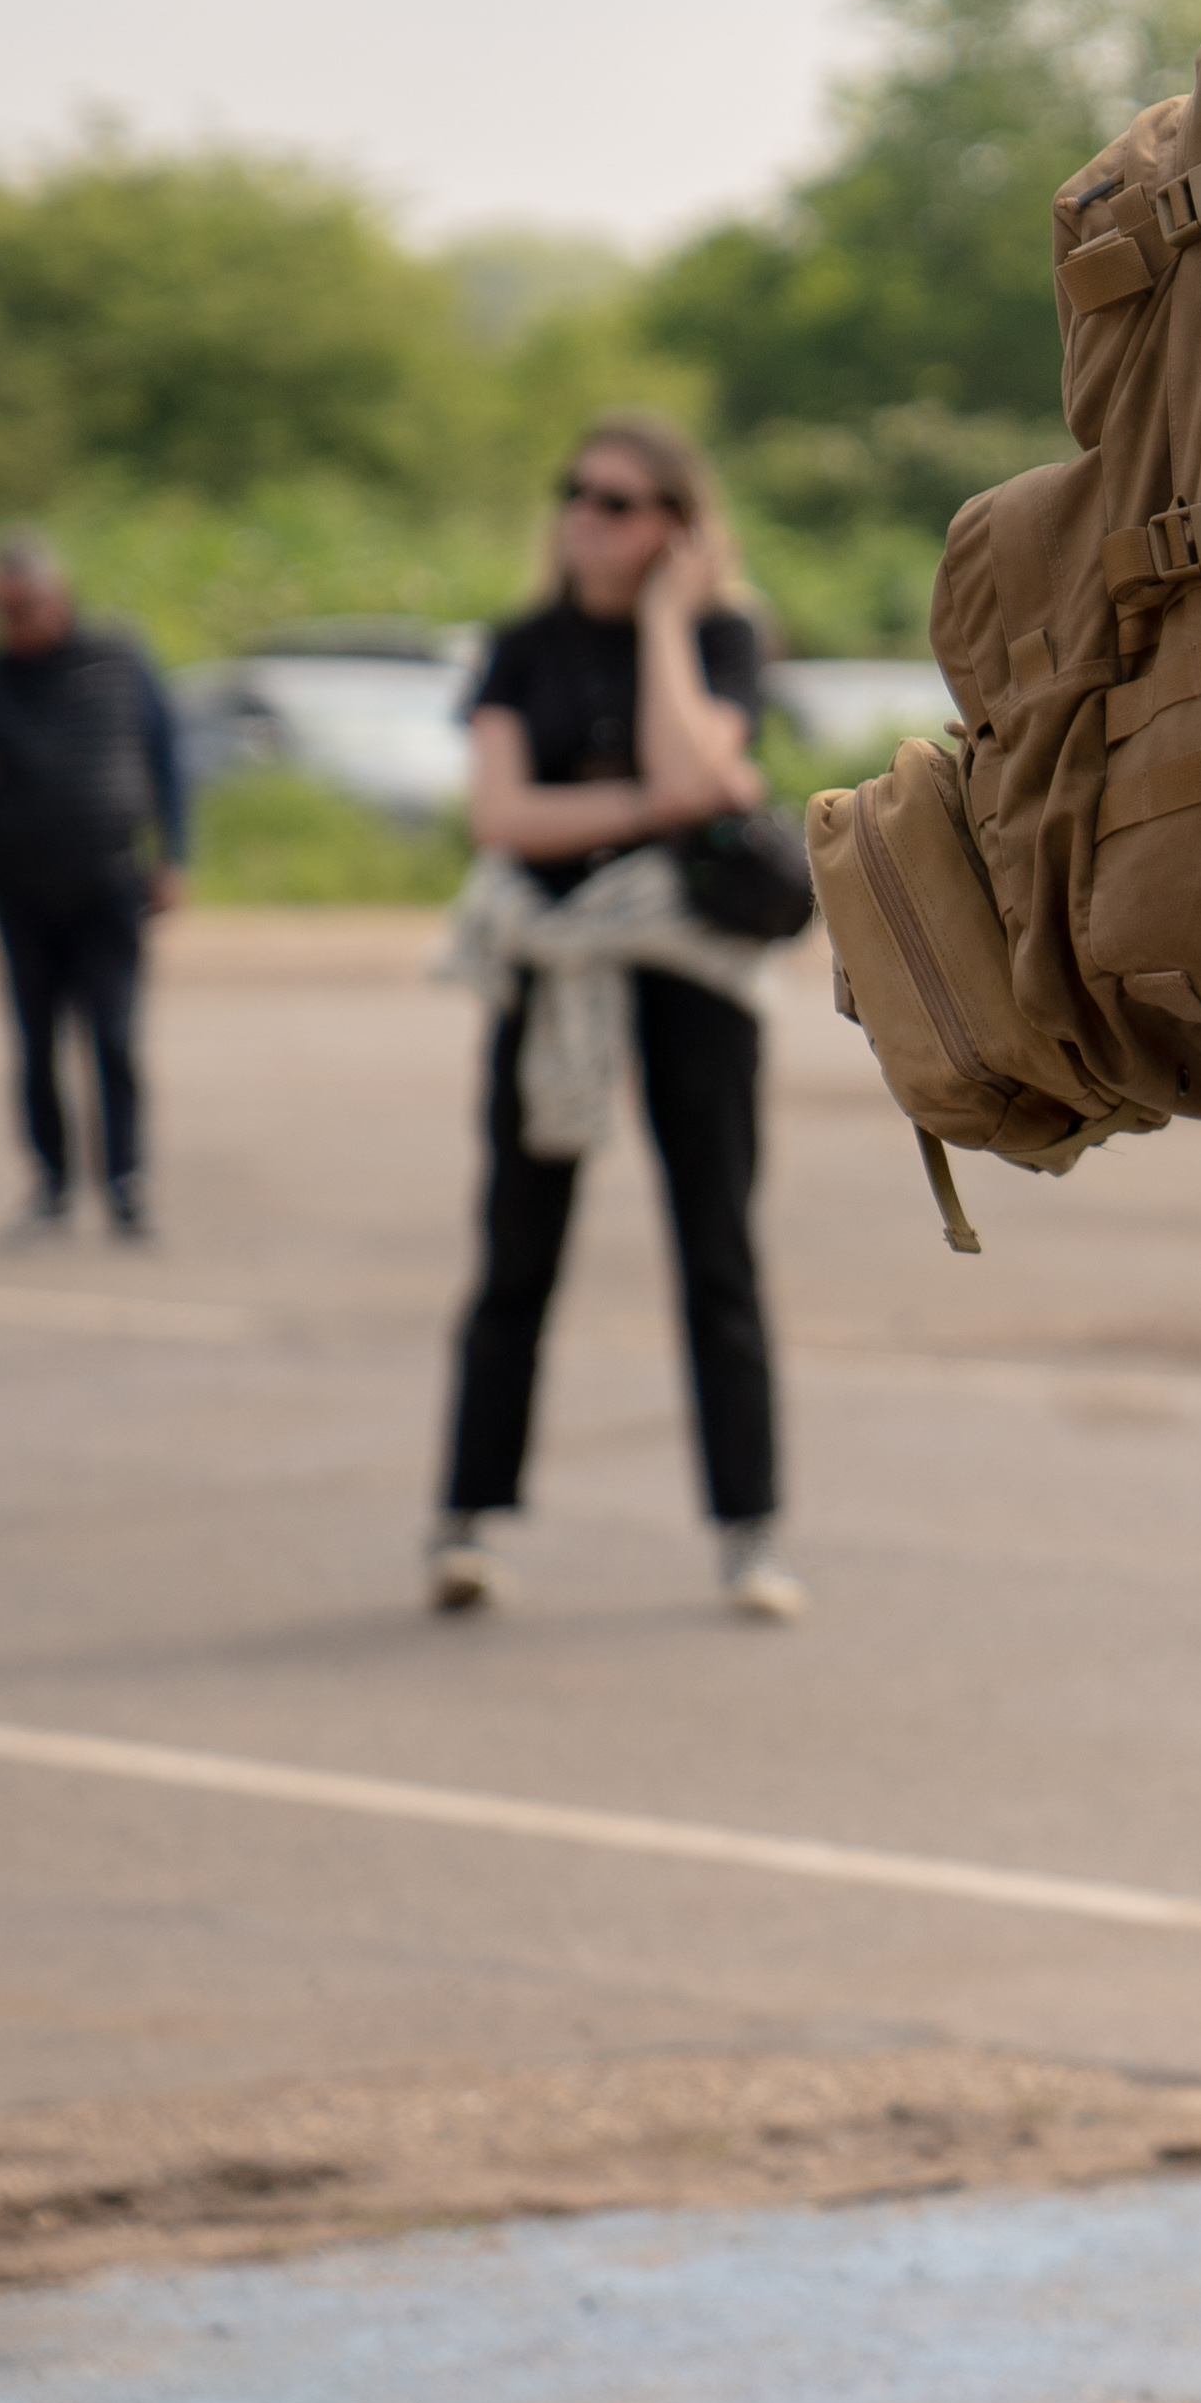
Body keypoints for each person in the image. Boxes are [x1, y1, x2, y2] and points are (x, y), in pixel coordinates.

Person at [429, 416, 799, 1623]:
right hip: (555, 964)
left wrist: (660, 629)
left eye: (622, 500)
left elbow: (698, 776)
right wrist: (650, 805)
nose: (588, 513)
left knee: (717, 1254)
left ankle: (748, 1533)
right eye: (577, 490)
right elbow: (501, 818)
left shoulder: (720, 635)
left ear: (677, 528)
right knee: (517, 1253)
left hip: (691, 966)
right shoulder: (520, 646)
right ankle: (468, 1520)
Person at [0, 531, 191, 1242]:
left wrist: (175, 854)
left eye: (26, 607)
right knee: (35, 1041)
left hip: (109, 879)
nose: (14, 623)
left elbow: (166, 755)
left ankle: (126, 1182)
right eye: (3, 611)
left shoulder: (118, 659)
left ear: (59, 597)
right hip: (20, 886)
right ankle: (50, 1181)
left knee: (113, 1036)